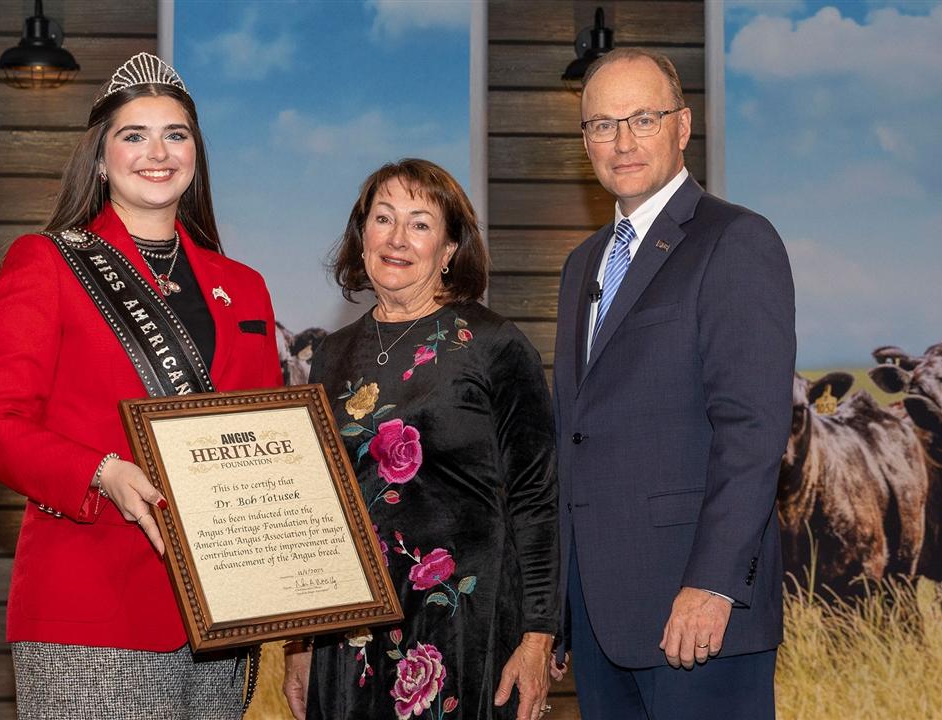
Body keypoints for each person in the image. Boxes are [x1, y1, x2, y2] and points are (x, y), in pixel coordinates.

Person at [0, 53, 282, 719]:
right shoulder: (46, 264)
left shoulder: (244, 286)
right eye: (134, 135)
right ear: (101, 159)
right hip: (90, 607)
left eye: (176, 134)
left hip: (221, 616)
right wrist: (99, 470)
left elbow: (269, 436)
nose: (157, 152)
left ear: (196, 154)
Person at [551, 49, 795, 720]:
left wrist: (713, 584)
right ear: (584, 142)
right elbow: (576, 436)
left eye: (642, 119)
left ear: (683, 127)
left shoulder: (736, 241)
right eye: (602, 124)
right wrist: (559, 606)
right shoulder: (582, 265)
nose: (622, 141)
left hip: (697, 615)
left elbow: (752, 432)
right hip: (602, 619)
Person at [281, 159, 560, 720]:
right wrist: (300, 643)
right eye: (383, 219)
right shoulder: (331, 355)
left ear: (451, 247)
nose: (397, 238)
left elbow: (538, 499)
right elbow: (315, 509)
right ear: (361, 237)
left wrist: (537, 640)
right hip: (349, 631)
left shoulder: (495, 345)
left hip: (464, 624)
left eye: (420, 223)